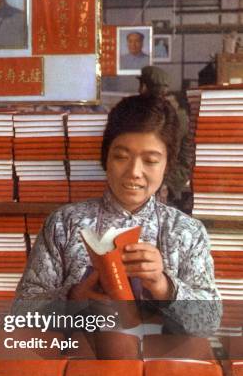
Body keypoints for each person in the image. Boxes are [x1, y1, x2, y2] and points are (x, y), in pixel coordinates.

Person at [14, 95, 221, 336]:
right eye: (121, 157)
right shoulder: (64, 223)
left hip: (160, 367)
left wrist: (162, 285)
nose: (134, 172)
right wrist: (74, 297)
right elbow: (20, 313)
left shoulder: (186, 232)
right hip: (80, 365)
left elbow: (209, 324)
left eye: (150, 161)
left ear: (167, 165)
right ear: (106, 158)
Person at [138, 66, 193, 212]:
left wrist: (166, 185)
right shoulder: (181, 116)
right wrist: (169, 184)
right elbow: (187, 158)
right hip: (162, 190)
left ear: (144, 87)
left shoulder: (141, 117)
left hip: (156, 193)